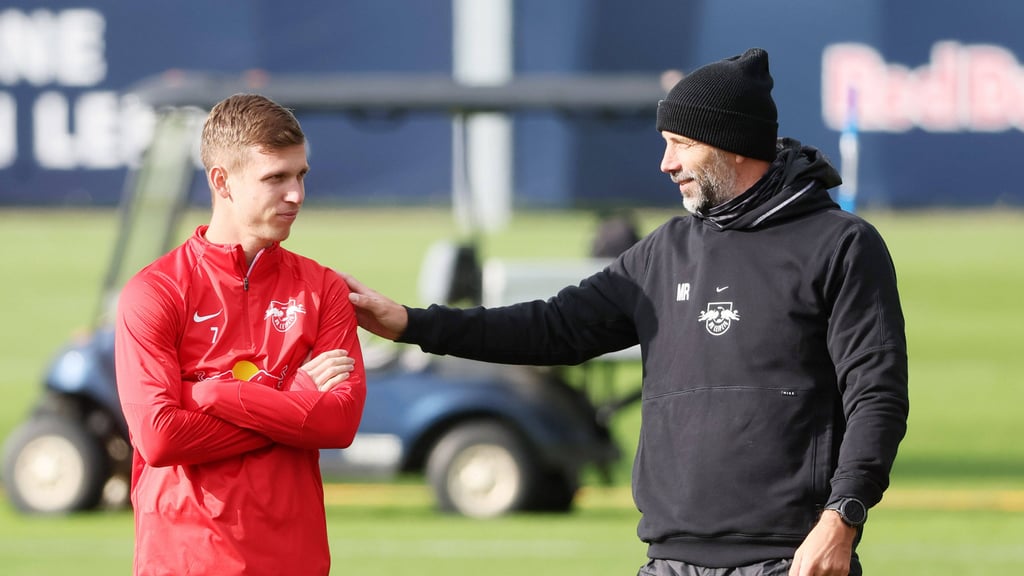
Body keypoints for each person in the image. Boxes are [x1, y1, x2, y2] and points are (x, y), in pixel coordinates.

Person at [343, 48, 908, 576]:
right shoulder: (663, 253)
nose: (665, 163)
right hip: (668, 558)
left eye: (680, 143)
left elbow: (876, 395)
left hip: (789, 558)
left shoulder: (840, 245)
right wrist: (413, 324)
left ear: (732, 142)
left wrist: (843, 517)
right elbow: (551, 328)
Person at [114, 94, 366, 576]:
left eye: (300, 176)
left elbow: (337, 424)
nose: (296, 195)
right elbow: (160, 438)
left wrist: (211, 394)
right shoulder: (156, 292)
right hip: (186, 562)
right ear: (221, 182)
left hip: (295, 561)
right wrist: (291, 400)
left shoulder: (324, 289)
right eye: (276, 178)